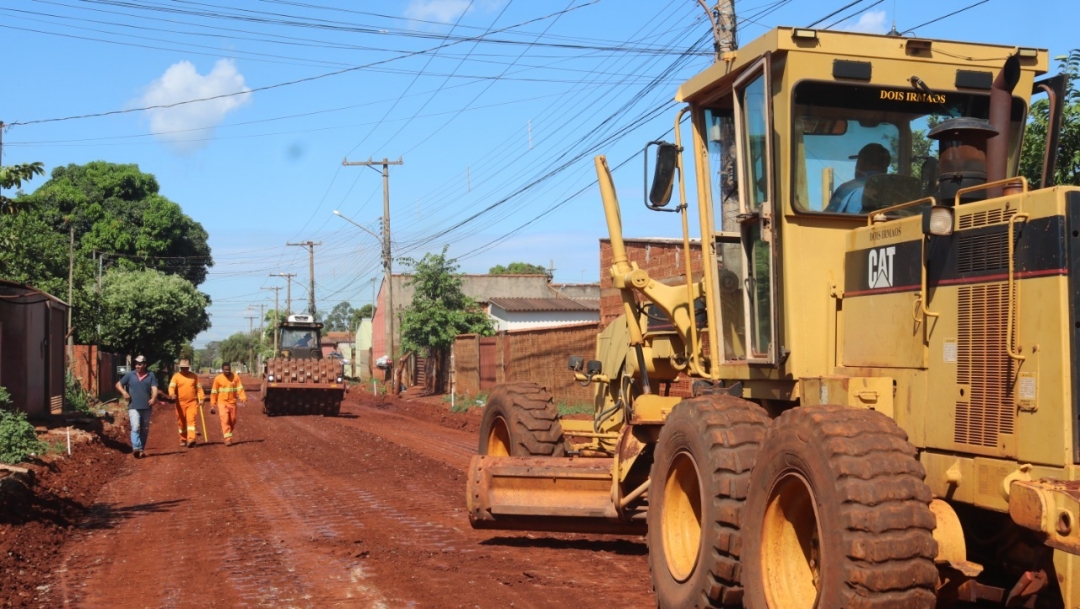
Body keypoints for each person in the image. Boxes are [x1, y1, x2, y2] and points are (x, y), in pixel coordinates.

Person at [826, 142, 891, 214]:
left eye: (857, 162)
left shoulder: (847, 189)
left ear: (861, 163)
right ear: (885, 168)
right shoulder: (897, 189)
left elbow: (828, 217)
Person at [116, 355, 158, 459]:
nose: (137, 366)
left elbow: (155, 388)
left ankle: (141, 450)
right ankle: (136, 448)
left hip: (146, 407)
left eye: (139, 364)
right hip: (133, 406)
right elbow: (118, 384)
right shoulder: (130, 375)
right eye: (136, 364)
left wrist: (153, 398)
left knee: (144, 429)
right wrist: (124, 392)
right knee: (135, 427)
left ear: (144, 365)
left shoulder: (150, 375)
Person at [169, 359, 205, 448]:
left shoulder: (194, 376)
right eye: (182, 368)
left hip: (192, 403)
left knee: (191, 420)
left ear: (188, 367)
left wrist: (202, 398)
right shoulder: (176, 376)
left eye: (186, 368)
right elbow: (171, 387)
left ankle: (191, 439)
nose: (184, 369)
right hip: (180, 404)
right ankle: (183, 439)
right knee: (181, 422)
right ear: (180, 368)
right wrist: (172, 394)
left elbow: (199, 389)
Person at [210, 363, 246, 447]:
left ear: (230, 369)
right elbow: (214, 392)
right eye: (225, 370)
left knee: (232, 421)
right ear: (222, 370)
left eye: (228, 369)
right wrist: (212, 405)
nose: (227, 371)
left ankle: (228, 433)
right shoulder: (218, 378)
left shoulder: (236, 377)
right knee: (225, 420)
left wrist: (243, 398)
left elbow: (240, 388)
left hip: (232, 403)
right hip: (222, 402)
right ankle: (227, 439)